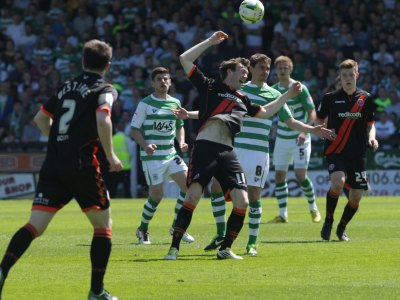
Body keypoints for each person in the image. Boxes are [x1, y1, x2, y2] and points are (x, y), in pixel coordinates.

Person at [164, 31, 335, 260]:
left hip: (227, 152)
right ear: (229, 72)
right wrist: (210, 42)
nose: (246, 74)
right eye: (243, 71)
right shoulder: (210, 86)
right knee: (193, 195)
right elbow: (184, 59)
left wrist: (287, 97)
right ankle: (174, 247)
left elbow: (265, 113)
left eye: (247, 71)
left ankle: (225, 248)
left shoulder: (242, 99)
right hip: (205, 147)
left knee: (243, 200)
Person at [0, 39, 122, 300]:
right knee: (103, 227)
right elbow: (103, 117)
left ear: (82, 62)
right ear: (108, 65)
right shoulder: (105, 88)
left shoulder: (67, 87)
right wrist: (111, 155)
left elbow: (40, 118)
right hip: (82, 166)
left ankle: (2, 271)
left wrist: (57, 143)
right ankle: (96, 291)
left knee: (35, 225)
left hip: (53, 165)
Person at [130, 67, 194, 245]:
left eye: (166, 79)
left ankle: (177, 226)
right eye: (159, 79)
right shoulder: (145, 104)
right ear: (153, 83)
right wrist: (145, 145)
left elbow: (179, 124)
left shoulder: (175, 102)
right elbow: (134, 130)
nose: (163, 82)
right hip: (153, 158)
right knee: (157, 196)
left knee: (188, 187)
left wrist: (181, 142)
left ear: (170, 82)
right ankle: (142, 229)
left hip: (171, 154)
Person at [317, 59, 379, 242]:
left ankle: (341, 227)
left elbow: (370, 125)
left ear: (357, 75)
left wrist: (372, 137)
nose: (348, 78)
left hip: (357, 154)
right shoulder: (330, 98)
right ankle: (328, 220)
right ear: (340, 78)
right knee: (338, 182)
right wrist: (322, 130)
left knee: (356, 198)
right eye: (344, 75)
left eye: (351, 74)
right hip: (336, 150)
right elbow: (318, 119)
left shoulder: (366, 99)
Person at [269, 56, 321, 224]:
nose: (283, 70)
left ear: (290, 69)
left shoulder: (300, 88)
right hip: (282, 139)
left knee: (300, 175)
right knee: (279, 176)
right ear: (276, 71)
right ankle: (283, 214)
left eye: (286, 68)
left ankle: (313, 208)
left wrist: (304, 133)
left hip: (300, 138)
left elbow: (312, 112)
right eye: (280, 68)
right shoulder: (274, 90)